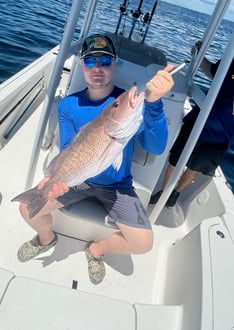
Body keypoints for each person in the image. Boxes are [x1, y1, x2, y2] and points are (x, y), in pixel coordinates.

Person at [17, 34, 174, 284]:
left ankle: (96, 250)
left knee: (144, 243)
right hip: (77, 180)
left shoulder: (130, 105)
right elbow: (69, 149)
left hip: (117, 186)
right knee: (27, 208)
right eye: (90, 62)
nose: (97, 68)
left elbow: (155, 147)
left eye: (105, 61)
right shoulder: (68, 105)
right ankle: (47, 238)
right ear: (82, 67)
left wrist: (154, 104)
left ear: (115, 64)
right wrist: (54, 179)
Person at [149, 41, 234, 208]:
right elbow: (213, 72)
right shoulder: (231, 61)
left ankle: (175, 193)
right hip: (200, 118)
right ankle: (164, 192)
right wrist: (200, 55)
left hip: (222, 133)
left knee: (195, 167)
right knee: (175, 160)